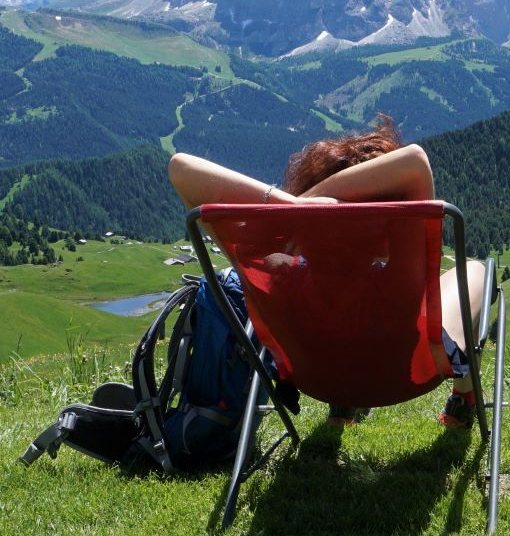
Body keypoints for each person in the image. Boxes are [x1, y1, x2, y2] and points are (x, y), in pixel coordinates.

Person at [167, 116, 488, 427]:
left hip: (319, 383)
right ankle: (464, 396)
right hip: (407, 380)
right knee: (474, 271)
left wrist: (290, 209)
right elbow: (415, 162)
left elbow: (181, 168)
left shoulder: (274, 275)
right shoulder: (401, 284)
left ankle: (344, 405)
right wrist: (309, 206)